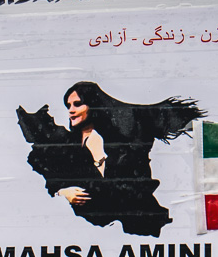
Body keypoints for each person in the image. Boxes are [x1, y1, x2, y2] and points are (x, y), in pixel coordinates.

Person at [16, 79, 203, 238]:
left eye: (77, 104)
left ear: (94, 104)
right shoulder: (67, 144)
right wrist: (64, 192)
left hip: (137, 222)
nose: (71, 110)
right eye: (68, 106)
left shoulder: (122, 137)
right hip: (91, 229)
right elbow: (51, 178)